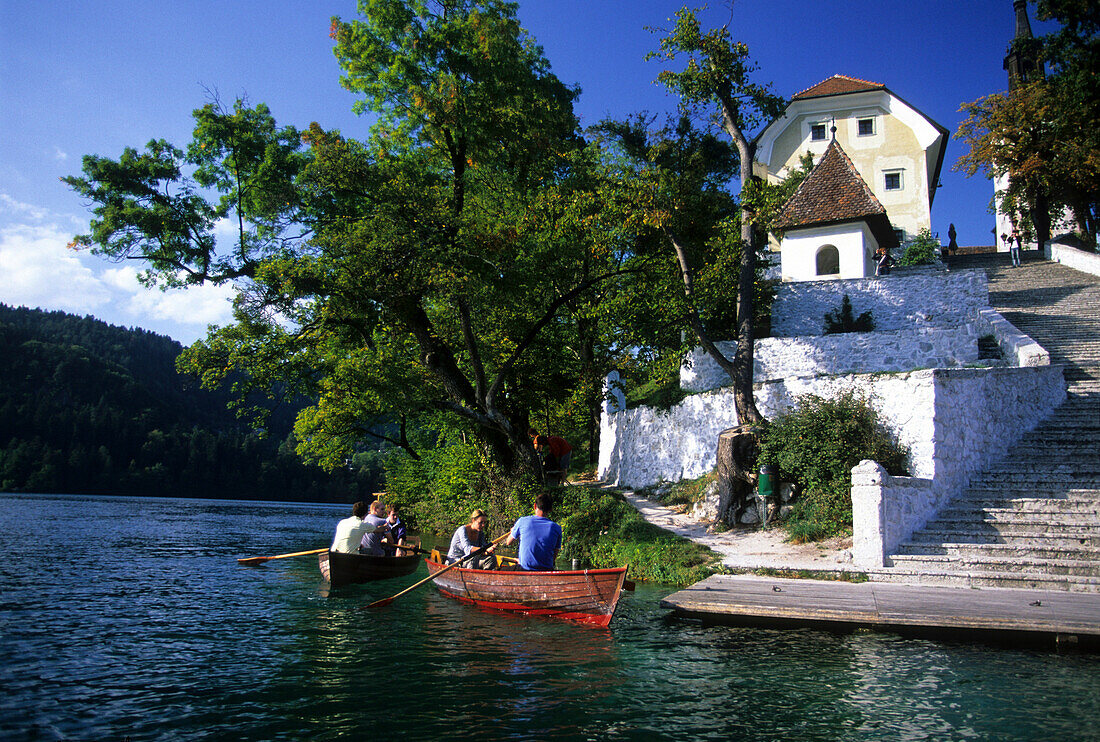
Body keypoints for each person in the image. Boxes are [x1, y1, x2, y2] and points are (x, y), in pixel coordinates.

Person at [505, 493, 562, 571]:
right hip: (546, 570)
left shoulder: (522, 521)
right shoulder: (557, 528)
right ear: (550, 509)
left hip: (525, 569)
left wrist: (513, 531)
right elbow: (554, 557)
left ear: (535, 506)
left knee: (498, 570)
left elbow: (508, 542)